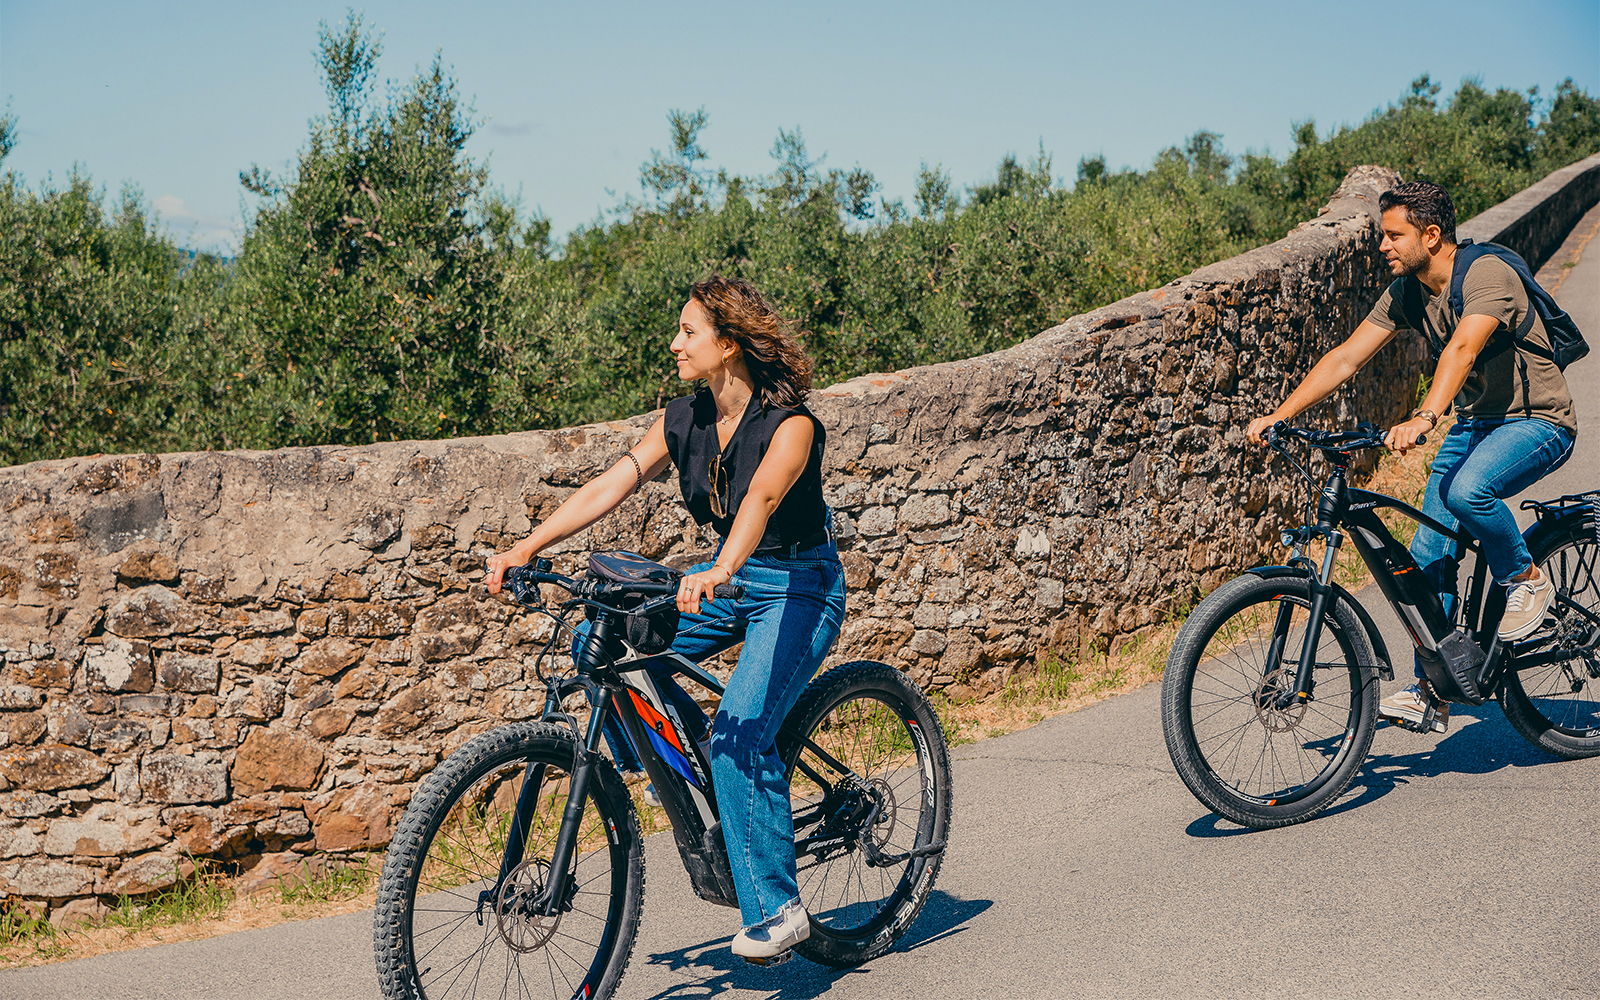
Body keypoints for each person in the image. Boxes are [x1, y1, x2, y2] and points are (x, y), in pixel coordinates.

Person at [485, 274, 846, 960]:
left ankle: (779, 906)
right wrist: (527, 545)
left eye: (688, 331)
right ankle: (677, 756)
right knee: (601, 637)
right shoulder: (685, 420)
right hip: (727, 579)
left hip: (798, 587)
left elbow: (762, 499)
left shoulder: (792, 425)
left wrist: (718, 568)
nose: (674, 343)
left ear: (730, 343)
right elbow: (611, 483)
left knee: (740, 734)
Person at [1246, 181, 1577, 733]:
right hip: (1476, 424)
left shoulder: (1487, 276)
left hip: (1537, 421)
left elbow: (1462, 348)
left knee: (1468, 491)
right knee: (1424, 558)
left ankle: (1526, 580)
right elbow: (1347, 356)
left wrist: (1424, 417)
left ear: (1431, 234)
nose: (1383, 246)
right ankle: (1435, 688)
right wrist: (1281, 415)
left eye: (1393, 235)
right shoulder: (1407, 292)